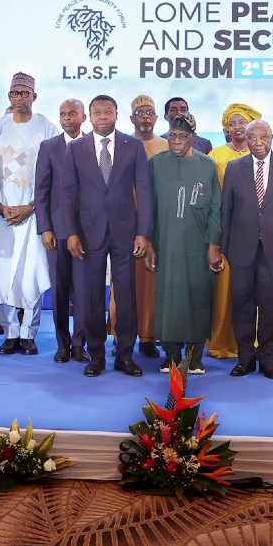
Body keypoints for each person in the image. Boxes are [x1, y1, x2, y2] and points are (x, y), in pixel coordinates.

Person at [61, 95, 152, 377]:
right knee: (90, 297)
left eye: (108, 111)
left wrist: (144, 232)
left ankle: (125, 355)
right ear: (89, 116)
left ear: (116, 114)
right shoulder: (76, 148)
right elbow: (68, 194)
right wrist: (71, 233)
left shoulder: (133, 145)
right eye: (97, 112)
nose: (102, 116)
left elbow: (145, 191)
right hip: (88, 233)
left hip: (126, 231)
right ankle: (96, 355)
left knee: (125, 296)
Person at [207, 104, 273, 360]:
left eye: (263, 137)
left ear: (272, 138)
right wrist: (221, 248)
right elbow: (225, 210)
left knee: (270, 307)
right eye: (252, 137)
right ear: (245, 140)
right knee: (242, 306)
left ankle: (268, 358)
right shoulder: (234, 168)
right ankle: (245, 358)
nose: (258, 142)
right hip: (240, 249)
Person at [0, 72, 59, 356]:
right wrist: (1, 206)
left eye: (24, 93)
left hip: (34, 215)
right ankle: (9, 333)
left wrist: (31, 207)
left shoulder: (47, 128)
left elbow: (53, 173)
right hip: (1, 215)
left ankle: (28, 333)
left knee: (30, 275)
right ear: (9, 97)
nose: (19, 98)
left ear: (34, 97)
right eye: (15, 93)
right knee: (3, 276)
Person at [144, 114, 223, 374]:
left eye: (182, 136)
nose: (176, 141)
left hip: (198, 245)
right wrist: (150, 244)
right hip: (165, 243)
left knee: (198, 298)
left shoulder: (207, 165)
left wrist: (213, 244)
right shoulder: (155, 164)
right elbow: (148, 207)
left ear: (193, 137)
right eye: (172, 135)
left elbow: (215, 208)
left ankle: (195, 356)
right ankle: (171, 356)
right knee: (168, 300)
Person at [108, 94, 167, 359]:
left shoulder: (167, 145)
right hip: (124, 222)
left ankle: (147, 337)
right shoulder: (123, 144)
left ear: (156, 118)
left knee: (151, 282)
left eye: (149, 112)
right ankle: (121, 335)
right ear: (131, 118)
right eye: (140, 112)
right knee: (123, 281)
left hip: (157, 224)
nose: (145, 116)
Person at [34, 99, 89, 363]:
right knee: (59, 290)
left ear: (83, 117)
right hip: (56, 232)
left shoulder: (95, 145)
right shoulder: (49, 147)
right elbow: (41, 191)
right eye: (62, 114)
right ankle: (62, 344)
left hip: (87, 231)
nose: (66, 118)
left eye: (72, 113)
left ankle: (80, 344)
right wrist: (45, 228)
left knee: (83, 291)